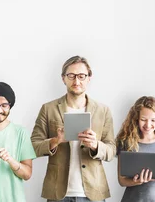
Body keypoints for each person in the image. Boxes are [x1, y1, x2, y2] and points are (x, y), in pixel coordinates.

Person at [31, 55, 116, 202]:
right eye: (71, 76)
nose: (76, 81)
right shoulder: (48, 109)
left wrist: (95, 145)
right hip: (58, 193)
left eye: (81, 76)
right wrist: (56, 141)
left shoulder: (103, 110)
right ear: (63, 78)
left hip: (93, 192)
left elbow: (111, 150)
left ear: (89, 77)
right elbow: (32, 146)